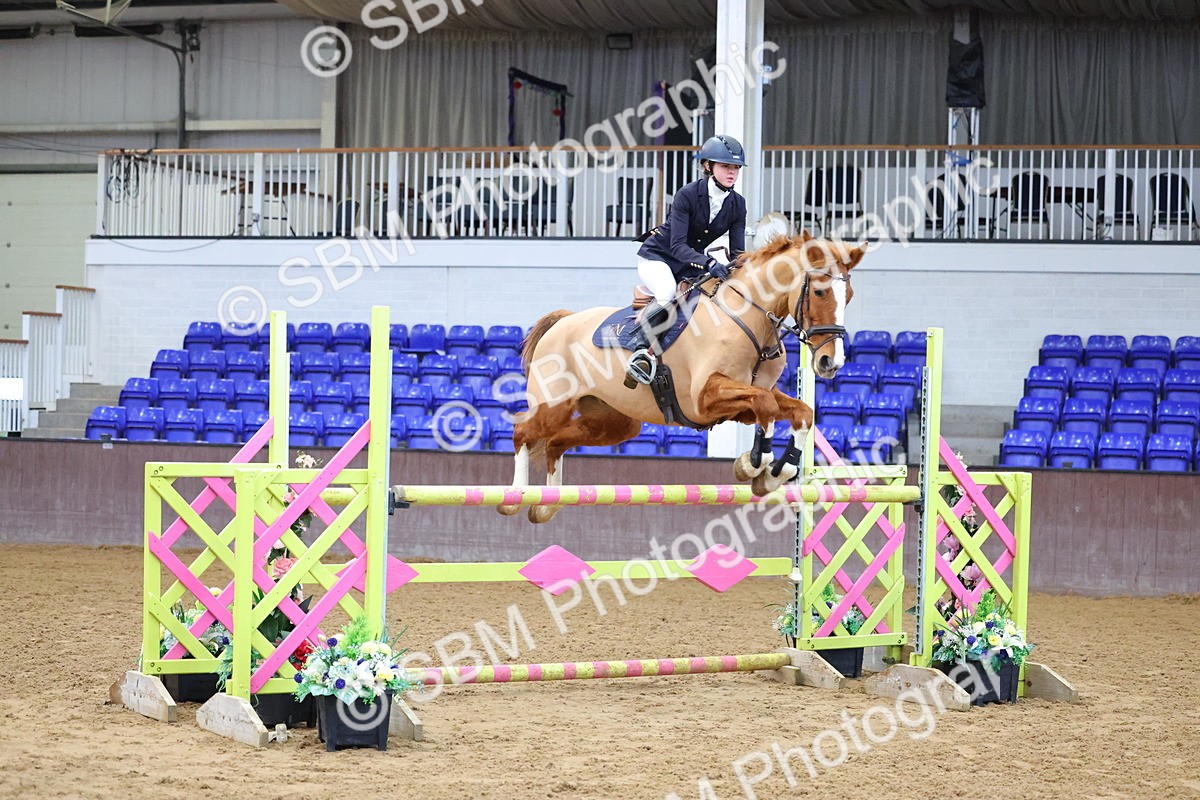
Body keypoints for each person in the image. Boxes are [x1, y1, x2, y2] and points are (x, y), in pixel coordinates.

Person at [624, 134, 747, 387]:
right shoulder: (687, 194)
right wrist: (709, 263)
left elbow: (738, 253)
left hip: (688, 265)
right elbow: (677, 246)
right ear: (708, 166)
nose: (732, 173)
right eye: (725, 166)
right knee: (667, 293)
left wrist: (746, 270)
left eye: (736, 168)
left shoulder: (737, 204)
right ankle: (641, 352)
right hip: (659, 257)